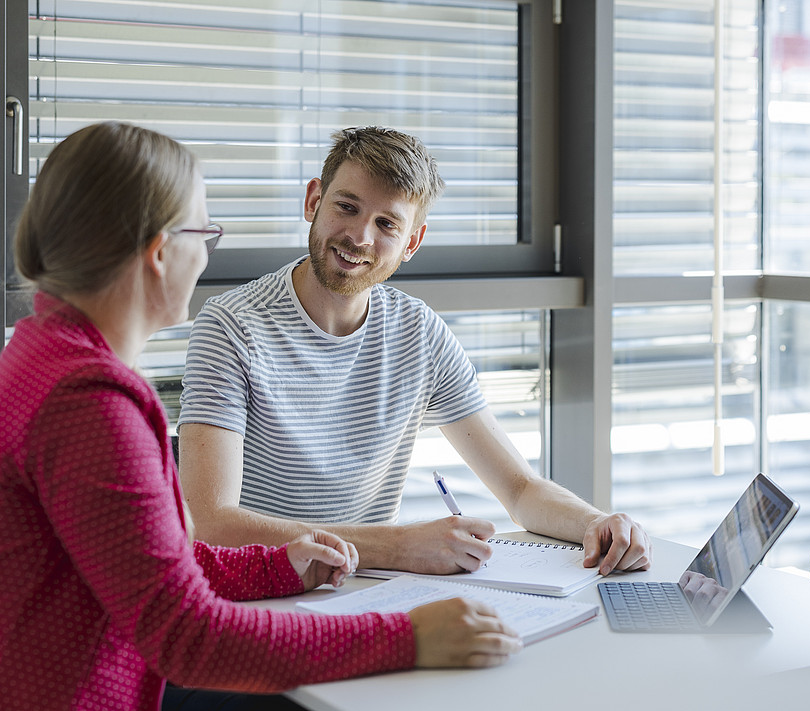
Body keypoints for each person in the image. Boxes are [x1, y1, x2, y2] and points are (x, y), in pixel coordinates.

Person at [0, 122, 522, 711]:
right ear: (160, 253)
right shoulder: (91, 403)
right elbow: (187, 637)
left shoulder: (37, 353)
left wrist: (277, 567)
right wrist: (411, 636)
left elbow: (147, 555)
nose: (204, 255)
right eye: (203, 232)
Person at [177, 125, 653, 576]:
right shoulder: (233, 325)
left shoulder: (419, 332)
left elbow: (521, 489)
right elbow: (210, 523)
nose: (360, 237)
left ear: (412, 242)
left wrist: (596, 523)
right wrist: (398, 547)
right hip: (263, 590)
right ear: (313, 201)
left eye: (386, 223)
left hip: (370, 587)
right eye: (346, 207)